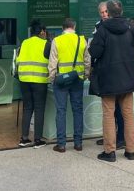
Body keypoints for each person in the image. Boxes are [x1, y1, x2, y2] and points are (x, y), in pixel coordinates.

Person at [89, 0, 134, 162]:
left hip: (108, 78)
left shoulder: (102, 29)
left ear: (108, 13)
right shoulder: (131, 27)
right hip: (128, 76)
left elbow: (95, 52)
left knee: (108, 115)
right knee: (128, 114)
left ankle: (110, 151)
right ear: (122, 11)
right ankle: (130, 151)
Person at [48, 18, 90, 153]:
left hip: (61, 80)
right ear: (74, 27)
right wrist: (85, 75)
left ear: (62, 28)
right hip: (77, 79)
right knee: (77, 110)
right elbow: (87, 61)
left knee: (61, 111)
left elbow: (52, 63)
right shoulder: (81, 40)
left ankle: (61, 144)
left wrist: (52, 78)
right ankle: (78, 143)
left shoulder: (57, 41)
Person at [92, 2, 126, 150]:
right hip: (106, 72)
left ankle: (120, 139)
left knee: (119, 110)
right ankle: (109, 137)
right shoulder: (98, 26)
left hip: (117, 72)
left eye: (106, 12)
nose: (104, 14)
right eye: (102, 12)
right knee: (109, 111)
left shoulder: (123, 25)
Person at [15, 20, 49, 149]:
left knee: (27, 108)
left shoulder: (24, 43)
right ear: (42, 32)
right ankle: (38, 140)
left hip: (24, 80)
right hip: (39, 81)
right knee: (39, 109)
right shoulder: (46, 43)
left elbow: (18, 59)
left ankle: (24, 138)